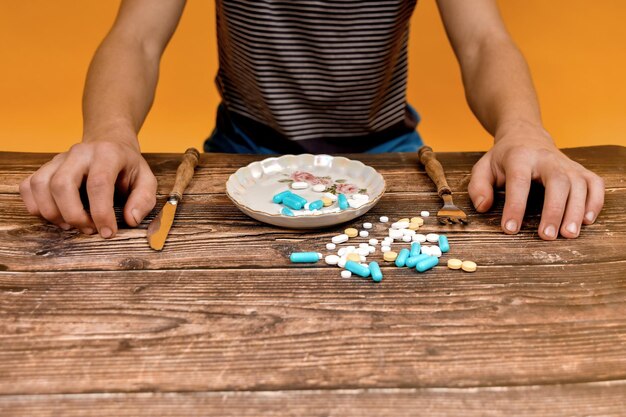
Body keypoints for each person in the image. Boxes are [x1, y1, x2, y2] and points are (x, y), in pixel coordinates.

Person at [19, 0, 604, 241]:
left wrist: (525, 129)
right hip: (241, 148)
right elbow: (137, 37)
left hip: (392, 151)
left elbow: (483, 41)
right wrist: (108, 132)